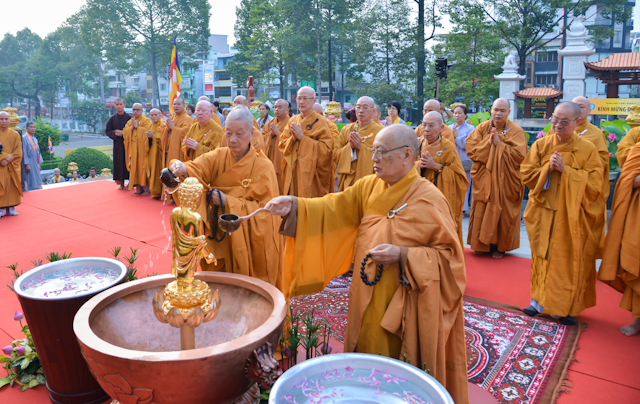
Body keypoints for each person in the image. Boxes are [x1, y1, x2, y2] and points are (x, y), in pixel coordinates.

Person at [265, 124, 469, 404]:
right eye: (374, 151)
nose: (373, 158)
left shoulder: (429, 199)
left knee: (397, 367)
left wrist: (403, 255)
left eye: (382, 152)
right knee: (365, 351)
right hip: (365, 290)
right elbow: (333, 207)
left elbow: (450, 260)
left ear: (407, 155)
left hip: (402, 300)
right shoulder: (369, 185)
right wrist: (294, 204)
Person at [169, 108, 282, 288]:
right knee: (220, 285)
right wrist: (182, 168)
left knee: (249, 288)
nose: (233, 139)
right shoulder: (219, 155)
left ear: (251, 133)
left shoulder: (263, 166)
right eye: (228, 133)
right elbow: (197, 167)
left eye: (239, 134)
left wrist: (227, 201)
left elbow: (267, 213)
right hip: (221, 232)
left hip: (249, 239)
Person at [521, 102, 603, 326]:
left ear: (577, 122)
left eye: (564, 122)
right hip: (544, 211)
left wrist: (566, 171)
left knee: (566, 260)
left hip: (571, 215)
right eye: (555, 119)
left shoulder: (587, 149)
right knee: (542, 257)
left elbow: (596, 184)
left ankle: (564, 309)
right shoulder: (541, 144)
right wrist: (547, 169)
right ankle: (537, 302)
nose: (558, 125)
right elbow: (526, 173)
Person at [546, 96, 609, 258]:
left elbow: (601, 163)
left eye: (581, 107)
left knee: (578, 237)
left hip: (580, 192)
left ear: (589, 111)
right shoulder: (555, 129)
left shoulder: (595, 134)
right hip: (555, 189)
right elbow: (544, 154)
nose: (578, 110)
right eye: (575, 105)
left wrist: (570, 166)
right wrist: (551, 165)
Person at [466, 98, 527, 258]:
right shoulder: (482, 128)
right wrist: (489, 143)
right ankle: (480, 245)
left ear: (509, 112)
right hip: (484, 178)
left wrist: (499, 144)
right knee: (481, 209)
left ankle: (500, 247)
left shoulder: (516, 131)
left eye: (502, 110)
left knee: (503, 212)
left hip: (505, 180)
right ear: (491, 111)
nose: (498, 113)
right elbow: (471, 149)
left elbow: (520, 156)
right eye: (496, 110)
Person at [598, 125, 640, 336]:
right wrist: (635, 180)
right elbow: (627, 175)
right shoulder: (636, 136)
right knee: (636, 260)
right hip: (637, 212)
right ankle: (638, 319)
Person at [417, 112, 468, 245]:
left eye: (431, 125)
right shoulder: (417, 144)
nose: (426, 129)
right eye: (424, 125)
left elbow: (459, 177)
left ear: (441, 128)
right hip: (419, 197)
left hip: (439, 197)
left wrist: (436, 166)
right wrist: (418, 165)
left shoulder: (448, 147)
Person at [279, 86, 334, 198]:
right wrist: (293, 139)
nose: (301, 102)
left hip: (311, 173)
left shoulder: (321, 122)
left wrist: (302, 138)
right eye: (299, 98)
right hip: (293, 169)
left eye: (305, 98)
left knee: (308, 203)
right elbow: (282, 143)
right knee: (293, 203)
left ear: (314, 100)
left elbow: (327, 149)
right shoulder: (292, 120)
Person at [333, 96, 384, 191]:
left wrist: (361, 147)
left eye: (365, 107)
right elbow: (335, 155)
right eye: (358, 107)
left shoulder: (381, 132)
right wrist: (350, 147)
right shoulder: (346, 129)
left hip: (370, 182)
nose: (361, 111)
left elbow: (384, 158)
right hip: (348, 181)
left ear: (373, 111)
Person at [123, 103, 153, 194]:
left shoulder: (146, 120)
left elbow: (148, 132)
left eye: (137, 110)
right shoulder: (130, 121)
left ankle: (146, 189)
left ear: (142, 111)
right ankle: (138, 188)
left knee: (142, 167)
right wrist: (131, 128)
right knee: (134, 167)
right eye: (133, 109)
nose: (135, 111)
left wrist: (138, 127)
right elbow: (125, 132)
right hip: (133, 149)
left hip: (142, 149)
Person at [262, 99, 291, 194]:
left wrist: (278, 133)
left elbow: (291, 141)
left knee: (282, 184)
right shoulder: (270, 122)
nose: (276, 109)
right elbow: (262, 138)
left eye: (280, 107)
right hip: (270, 158)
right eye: (275, 107)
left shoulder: (290, 122)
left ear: (287, 110)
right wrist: (271, 134)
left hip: (282, 160)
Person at [450, 105, 475, 214]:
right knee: (452, 185)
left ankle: (463, 209)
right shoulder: (449, 128)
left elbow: (468, 145)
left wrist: (457, 137)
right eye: (455, 113)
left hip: (464, 162)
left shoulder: (470, 129)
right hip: (451, 162)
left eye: (460, 113)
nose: (457, 115)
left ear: (465, 115)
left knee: (465, 185)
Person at [105, 98, 131, 190]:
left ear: (124, 105)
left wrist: (124, 133)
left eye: (120, 104)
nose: (119, 106)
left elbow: (134, 130)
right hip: (117, 145)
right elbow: (108, 130)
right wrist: (115, 133)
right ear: (114, 106)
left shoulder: (129, 118)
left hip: (128, 144)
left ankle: (130, 183)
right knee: (119, 163)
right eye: (117, 104)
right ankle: (121, 183)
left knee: (129, 162)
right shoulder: (112, 118)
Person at [0, 111, 22, 217]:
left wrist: (8, 160)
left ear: (9, 120)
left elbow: (18, 152)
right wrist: (3, 157)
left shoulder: (15, 134)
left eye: (6, 119)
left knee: (11, 187)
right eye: (1, 119)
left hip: (10, 166)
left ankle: (11, 209)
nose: (4, 121)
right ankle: (0, 210)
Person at [164, 98, 193, 167]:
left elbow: (187, 133)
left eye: (179, 104)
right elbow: (162, 131)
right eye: (174, 104)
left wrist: (173, 128)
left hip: (179, 149)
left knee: (178, 169)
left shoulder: (187, 118)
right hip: (170, 148)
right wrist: (167, 129)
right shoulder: (171, 118)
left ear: (184, 105)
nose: (176, 106)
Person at [147, 109, 166, 199]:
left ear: (160, 115)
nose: (153, 116)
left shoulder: (163, 125)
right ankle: (154, 192)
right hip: (151, 152)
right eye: (152, 115)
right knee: (152, 171)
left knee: (158, 171)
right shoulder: (151, 125)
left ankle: (160, 192)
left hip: (159, 154)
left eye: (155, 114)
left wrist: (153, 136)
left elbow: (164, 139)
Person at [21, 121, 43, 191]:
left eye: (34, 127)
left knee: (37, 178)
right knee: (30, 178)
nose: (33, 129)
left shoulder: (34, 138)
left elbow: (38, 151)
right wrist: (26, 164)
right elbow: (24, 151)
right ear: (26, 128)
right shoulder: (24, 138)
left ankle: (37, 190)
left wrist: (38, 163)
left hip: (35, 162)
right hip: (29, 161)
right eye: (31, 127)